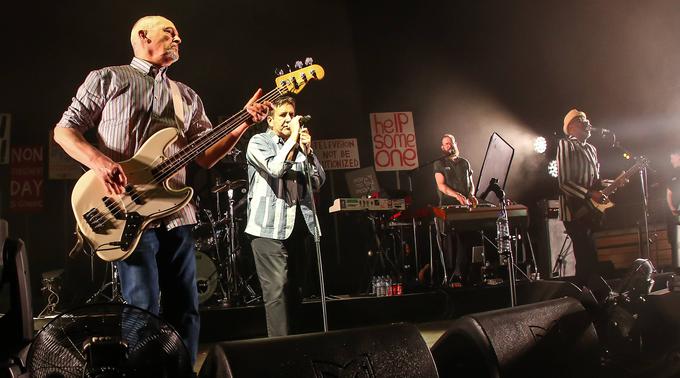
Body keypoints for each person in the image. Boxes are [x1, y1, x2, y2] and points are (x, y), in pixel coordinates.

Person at [53, 15, 271, 364]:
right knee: (142, 309)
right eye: (170, 32)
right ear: (142, 36)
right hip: (125, 213)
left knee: (186, 308)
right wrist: (100, 162)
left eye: (178, 35)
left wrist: (242, 123)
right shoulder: (107, 78)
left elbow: (205, 157)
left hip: (177, 214)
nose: (178, 39)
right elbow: (64, 131)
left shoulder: (185, 95)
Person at [245, 96, 325, 337]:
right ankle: (280, 351)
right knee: (276, 291)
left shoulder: (299, 146)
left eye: (292, 114)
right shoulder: (258, 142)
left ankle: (297, 349)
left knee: (296, 291)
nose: (290, 119)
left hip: (300, 227)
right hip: (268, 229)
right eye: (284, 115)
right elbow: (276, 169)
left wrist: (308, 153)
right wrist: (292, 142)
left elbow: (318, 181)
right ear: (270, 120)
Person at [557, 109, 607, 287]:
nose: (586, 123)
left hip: (590, 210)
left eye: (586, 119)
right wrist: (590, 193)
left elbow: (596, 182)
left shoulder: (592, 149)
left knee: (590, 254)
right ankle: (580, 295)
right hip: (574, 210)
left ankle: (589, 294)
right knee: (585, 254)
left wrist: (612, 183)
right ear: (571, 127)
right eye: (581, 120)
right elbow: (564, 182)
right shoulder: (566, 145)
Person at [433, 134, 478, 287]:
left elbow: (471, 183)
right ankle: (452, 276)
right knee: (451, 241)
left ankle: (465, 275)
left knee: (467, 239)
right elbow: (441, 185)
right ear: (442, 147)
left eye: (450, 143)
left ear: (455, 144)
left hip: (465, 207)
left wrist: (471, 195)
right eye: (445, 144)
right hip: (448, 206)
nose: (448, 146)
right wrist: (456, 195)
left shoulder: (465, 162)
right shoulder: (439, 163)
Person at [666, 148, 680, 269]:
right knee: (673, 240)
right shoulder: (672, 174)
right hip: (675, 214)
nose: (671, 160)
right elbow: (669, 193)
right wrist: (672, 208)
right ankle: (676, 268)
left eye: (672, 157)